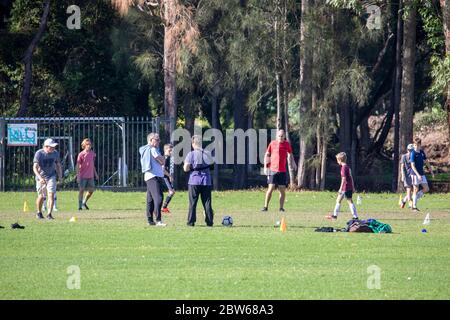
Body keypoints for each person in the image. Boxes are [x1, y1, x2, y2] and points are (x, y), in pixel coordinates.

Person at [261, 129, 296, 212]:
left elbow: (290, 153)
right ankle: (265, 207)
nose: (280, 137)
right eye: (279, 136)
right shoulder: (272, 143)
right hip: (272, 169)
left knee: (282, 190)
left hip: (282, 170)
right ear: (277, 136)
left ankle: (281, 208)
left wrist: (293, 162)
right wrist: (265, 167)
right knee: (271, 188)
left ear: (284, 136)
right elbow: (267, 155)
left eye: (282, 136)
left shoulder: (286, 144)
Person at [183, 135, 214, 227]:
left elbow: (186, 168)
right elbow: (212, 164)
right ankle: (209, 221)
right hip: (206, 180)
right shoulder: (208, 153)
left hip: (194, 180)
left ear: (193, 143)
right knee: (207, 202)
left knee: (193, 202)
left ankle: (191, 222)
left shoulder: (191, 154)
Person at [139, 133, 167, 227]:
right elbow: (162, 161)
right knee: (159, 197)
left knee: (150, 199)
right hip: (153, 176)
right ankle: (158, 220)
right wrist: (165, 156)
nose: (159, 141)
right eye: (157, 139)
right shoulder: (153, 149)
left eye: (159, 139)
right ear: (151, 140)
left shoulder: (148, 149)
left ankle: (150, 220)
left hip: (149, 176)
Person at [33, 138, 63, 220]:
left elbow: (58, 165)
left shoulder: (55, 153)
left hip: (51, 176)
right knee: (42, 196)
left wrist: (60, 176)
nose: (53, 148)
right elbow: (35, 168)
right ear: (46, 147)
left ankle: (49, 214)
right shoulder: (39, 153)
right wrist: (40, 178)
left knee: (51, 194)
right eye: (51, 147)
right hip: (41, 177)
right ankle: (39, 212)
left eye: (54, 147)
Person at [326, 152, 359, 220]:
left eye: (337, 160)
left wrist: (340, 188)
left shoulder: (343, 168)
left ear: (340, 160)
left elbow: (344, 179)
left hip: (345, 187)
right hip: (348, 187)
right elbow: (351, 178)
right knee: (347, 201)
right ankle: (355, 216)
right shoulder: (347, 167)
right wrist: (353, 187)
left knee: (342, 200)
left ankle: (335, 216)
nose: (337, 161)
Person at [410, 137, 434, 212]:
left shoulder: (421, 152)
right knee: (415, 189)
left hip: (421, 174)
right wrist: (417, 175)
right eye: (415, 145)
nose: (416, 146)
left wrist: (431, 171)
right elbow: (412, 166)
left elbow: (426, 162)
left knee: (426, 188)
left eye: (417, 145)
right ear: (413, 145)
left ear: (420, 145)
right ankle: (414, 207)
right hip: (414, 174)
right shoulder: (413, 153)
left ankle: (415, 198)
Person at [76, 138, 99, 210]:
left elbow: (92, 164)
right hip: (83, 176)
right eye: (87, 144)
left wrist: (95, 174)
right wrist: (78, 176)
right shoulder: (81, 154)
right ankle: (80, 206)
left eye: (90, 144)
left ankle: (84, 202)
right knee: (81, 190)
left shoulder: (92, 153)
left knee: (91, 190)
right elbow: (77, 165)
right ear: (84, 145)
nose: (89, 146)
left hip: (90, 176)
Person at [399, 143, 414, 209]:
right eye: (409, 150)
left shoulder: (414, 156)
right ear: (407, 150)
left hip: (414, 175)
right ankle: (410, 204)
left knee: (414, 191)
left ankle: (403, 200)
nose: (410, 151)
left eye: (412, 150)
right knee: (409, 190)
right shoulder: (404, 156)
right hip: (407, 176)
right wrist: (402, 175)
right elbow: (402, 167)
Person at [161, 143, 176, 213]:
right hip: (164, 177)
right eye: (169, 150)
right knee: (171, 191)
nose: (171, 152)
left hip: (166, 177)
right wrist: (170, 176)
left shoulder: (168, 158)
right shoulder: (165, 158)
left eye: (172, 151)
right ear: (165, 150)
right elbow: (163, 170)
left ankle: (164, 207)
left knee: (172, 191)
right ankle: (163, 207)